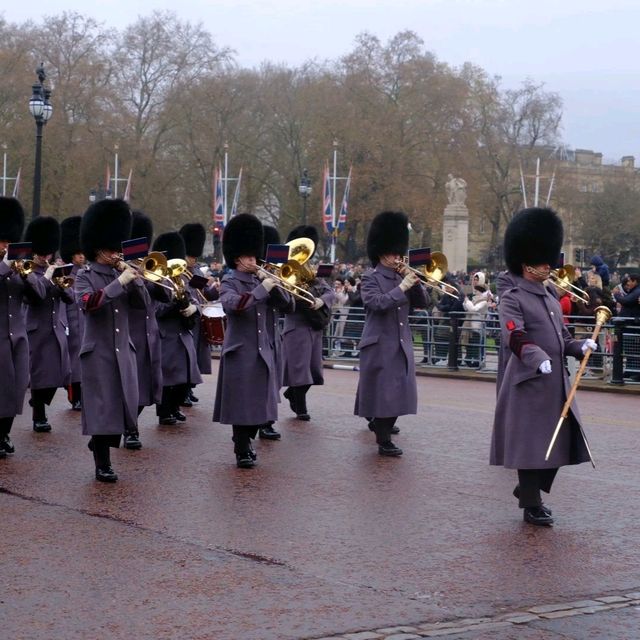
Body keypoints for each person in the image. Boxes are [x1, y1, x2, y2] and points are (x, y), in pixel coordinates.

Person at [490, 207, 596, 526]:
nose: (549, 266)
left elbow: (562, 336)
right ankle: (531, 504)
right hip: (528, 381)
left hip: (555, 383)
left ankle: (527, 490)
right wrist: (539, 359)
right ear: (526, 263)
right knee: (531, 444)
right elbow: (515, 335)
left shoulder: (550, 295)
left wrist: (580, 346)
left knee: (559, 442)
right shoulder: (512, 296)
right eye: (542, 261)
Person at [212, 214, 293, 468]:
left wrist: (277, 286)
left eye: (254, 255)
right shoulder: (230, 281)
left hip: (263, 351)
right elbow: (235, 305)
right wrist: (263, 288)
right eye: (249, 257)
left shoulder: (263, 278)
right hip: (241, 351)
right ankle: (242, 447)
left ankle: (247, 441)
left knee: (260, 406)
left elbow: (289, 306)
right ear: (237, 258)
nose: (254, 260)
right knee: (242, 406)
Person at [75, 199, 143, 482]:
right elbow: (90, 303)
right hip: (98, 352)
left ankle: (100, 445)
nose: (116, 253)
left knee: (123, 405)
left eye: (118, 248)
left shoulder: (122, 273)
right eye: (111, 248)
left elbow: (143, 305)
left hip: (123, 350)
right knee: (103, 408)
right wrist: (121, 282)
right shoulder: (84, 276)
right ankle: (102, 462)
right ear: (97, 247)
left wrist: (137, 280)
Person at [354, 210, 428, 456]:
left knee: (401, 393)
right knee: (384, 393)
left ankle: (382, 427)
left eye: (399, 253)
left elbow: (423, 303)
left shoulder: (402, 275)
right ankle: (383, 439)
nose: (397, 257)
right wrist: (402, 286)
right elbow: (377, 303)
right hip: (379, 343)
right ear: (381, 253)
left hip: (401, 343)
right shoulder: (370, 278)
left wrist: (414, 282)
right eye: (393, 253)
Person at [0, 198, 46, 457]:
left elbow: (38, 296)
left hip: (17, 338)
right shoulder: (5, 264)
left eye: (9, 241)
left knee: (16, 389)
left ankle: (4, 432)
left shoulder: (19, 266)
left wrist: (28, 276)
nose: (7, 245)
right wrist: (5, 266)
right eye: (3, 241)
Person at [23, 217, 73, 432]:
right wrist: (48, 276)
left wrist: (62, 285)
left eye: (48, 254)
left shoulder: (56, 271)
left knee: (60, 375)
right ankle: (39, 417)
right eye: (42, 254)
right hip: (36, 329)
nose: (45, 258)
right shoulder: (27, 272)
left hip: (56, 328)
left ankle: (39, 401)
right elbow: (37, 294)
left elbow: (71, 298)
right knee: (39, 375)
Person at [281, 224, 335, 421]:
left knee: (313, 372)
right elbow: (284, 298)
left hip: (314, 327)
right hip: (297, 326)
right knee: (299, 370)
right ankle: (300, 407)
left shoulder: (310, 271)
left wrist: (321, 300)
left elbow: (330, 291)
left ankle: (291, 394)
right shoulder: (285, 269)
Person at [125, 210, 167, 449]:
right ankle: (130, 428)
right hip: (129, 332)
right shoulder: (121, 271)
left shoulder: (148, 267)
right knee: (130, 384)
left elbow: (166, 295)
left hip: (150, 333)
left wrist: (157, 278)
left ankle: (132, 422)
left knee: (145, 384)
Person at [152, 232, 202, 425]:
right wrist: (174, 305)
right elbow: (157, 309)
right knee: (167, 378)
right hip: (166, 333)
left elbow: (196, 300)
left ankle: (174, 406)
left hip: (184, 333)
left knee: (185, 377)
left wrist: (193, 308)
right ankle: (165, 411)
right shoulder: (158, 280)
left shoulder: (182, 279)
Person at [179, 223, 219, 407]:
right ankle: (184, 390)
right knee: (187, 357)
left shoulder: (196, 271)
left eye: (194, 257)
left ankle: (190, 388)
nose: (193, 260)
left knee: (195, 356)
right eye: (190, 256)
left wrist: (214, 289)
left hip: (197, 318)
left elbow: (205, 294)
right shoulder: (178, 271)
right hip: (185, 318)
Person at [60, 216, 85, 411]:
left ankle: (82, 394)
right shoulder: (65, 273)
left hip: (84, 321)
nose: (81, 257)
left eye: (82, 254)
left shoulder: (86, 272)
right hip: (70, 320)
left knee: (83, 361)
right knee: (73, 361)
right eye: (77, 254)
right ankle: (74, 395)